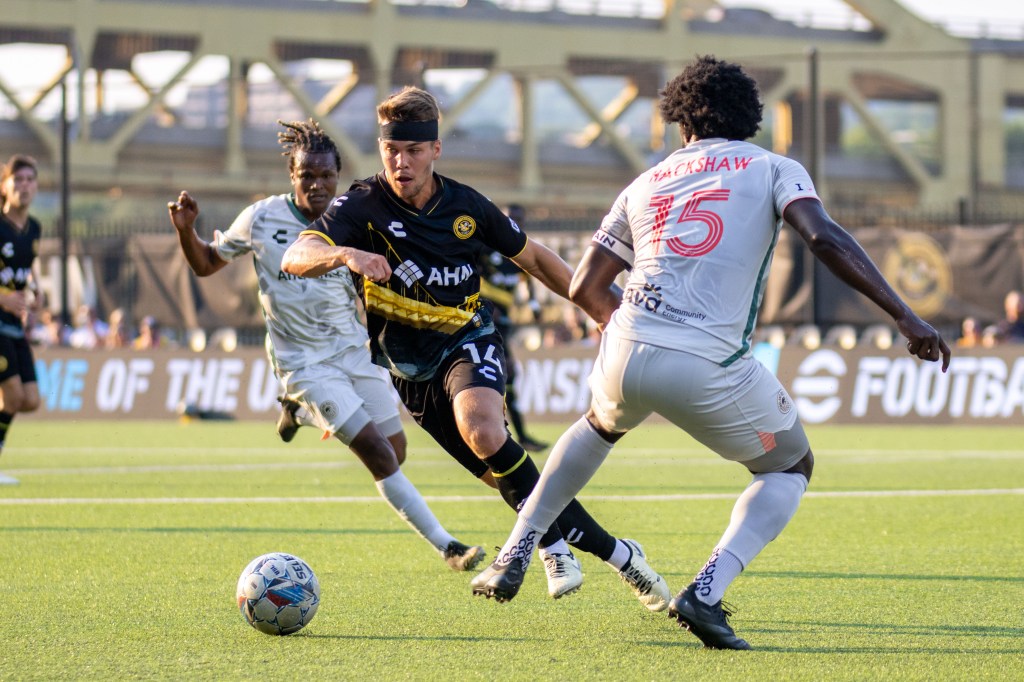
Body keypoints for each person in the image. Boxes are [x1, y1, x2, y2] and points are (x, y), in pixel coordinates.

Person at [472, 55, 952, 649]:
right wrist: (905, 315)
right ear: (750, 117)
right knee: (790, 467)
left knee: (597, 426)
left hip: (625, 345)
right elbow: (823, 237)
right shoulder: (774, 167)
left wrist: (625, 331)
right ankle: (704, 592)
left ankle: (515, 550)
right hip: (707, 363)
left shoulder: (644, 182)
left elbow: (582, 288)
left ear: (681, 124)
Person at [281, 87, 669, 610]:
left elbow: (535, 258)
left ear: (435, 150)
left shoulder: (467, 206)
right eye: (391, 150)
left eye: (413, 151)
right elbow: (295, 255)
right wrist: (346, 254)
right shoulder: (361, 205)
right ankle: (621, 555)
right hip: (409, 371)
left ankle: (549, 547)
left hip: (468, 338)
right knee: (509, 479)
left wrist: (601, 308)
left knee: (484, 430)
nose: (401, 162)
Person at [168, 118, 485, 573]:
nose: (317, 185)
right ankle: (448, 547)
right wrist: (186, 230)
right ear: (292, 177)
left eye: (325, 176)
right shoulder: (262, 219)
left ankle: (296, 411)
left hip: (354, 353)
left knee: (396, 451)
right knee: (378, 454)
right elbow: (204, 266)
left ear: (337, 175)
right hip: (303, 364)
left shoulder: (352, 216)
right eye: (307, 176)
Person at [478, 203, 547, 452]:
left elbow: (527, 281)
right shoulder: (487, 246)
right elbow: (468, 269)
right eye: (511, 218)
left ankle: (513, 435)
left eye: (519, 218)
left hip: (504, 321)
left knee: (508, 376)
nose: (516, 223)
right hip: (483, 320)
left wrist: (534, 306)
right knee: (503, 372)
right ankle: (507, 435)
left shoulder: (519, 252)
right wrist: (483, 302)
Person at [0, 154, 44, 485]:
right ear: (6, 186)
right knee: (12, 396)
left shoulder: (34, 230)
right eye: (18, 179)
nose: (24, 185)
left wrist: (35, 291)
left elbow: (25, 271)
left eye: (30, 179)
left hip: (14, 327)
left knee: (29, 399)